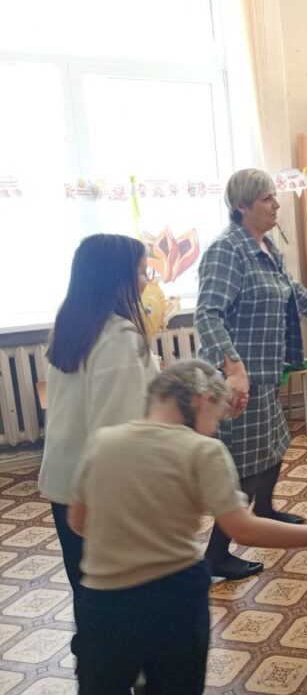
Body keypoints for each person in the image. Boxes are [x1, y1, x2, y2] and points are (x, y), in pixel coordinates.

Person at [69, 360, 307, 694]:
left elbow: (78, 521)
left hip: (102, 603)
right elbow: (245, 530)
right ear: (202, 401)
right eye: (215, 419)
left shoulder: (103, 441)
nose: (212, 430)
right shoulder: (202, 451)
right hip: (172, 597)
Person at [195, 168, 307, 581]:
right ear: (242, 205)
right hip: (238, 382)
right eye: (267, 198)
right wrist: (234, 368)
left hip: (266, 372)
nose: (276, 204)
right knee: (247, 467)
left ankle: (266, 510)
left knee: (274, 447)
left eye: (274, 197)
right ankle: (216, 555)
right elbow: (207, 314)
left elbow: (294, 291)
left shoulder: (266, 246)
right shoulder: (227, 250)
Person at [39, 234, 160, 657]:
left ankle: (95, 654)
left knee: (87, 585)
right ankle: (113, 663)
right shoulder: (118, 336)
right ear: (117, 279)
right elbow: (117, 433)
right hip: (100, 492)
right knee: (117, 591)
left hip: (64, 480)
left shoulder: (71, 322)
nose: (147, 281)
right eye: (142, 272)